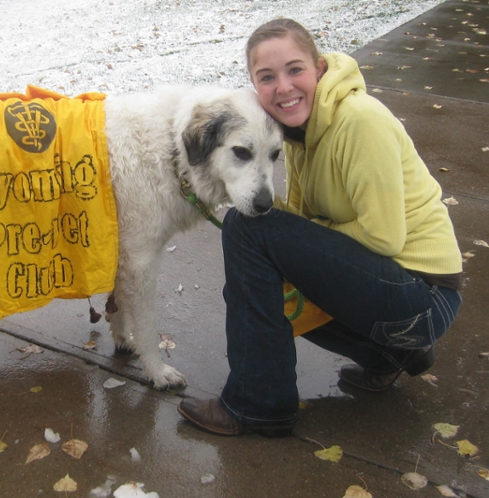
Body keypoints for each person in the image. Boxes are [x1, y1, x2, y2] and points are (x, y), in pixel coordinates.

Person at [177, 18, 463, 437]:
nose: (284, 86)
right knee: (270, 258)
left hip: (423, 296)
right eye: (267, 77)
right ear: (255, 86)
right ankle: (395, 355)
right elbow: (304, 227)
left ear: (319, 68)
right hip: (399, 299)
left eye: (295, 69)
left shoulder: (359, 121)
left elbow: (384, 238)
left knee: (248, 228)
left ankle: (258, 403)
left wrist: (295, 239)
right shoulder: (299, 134)